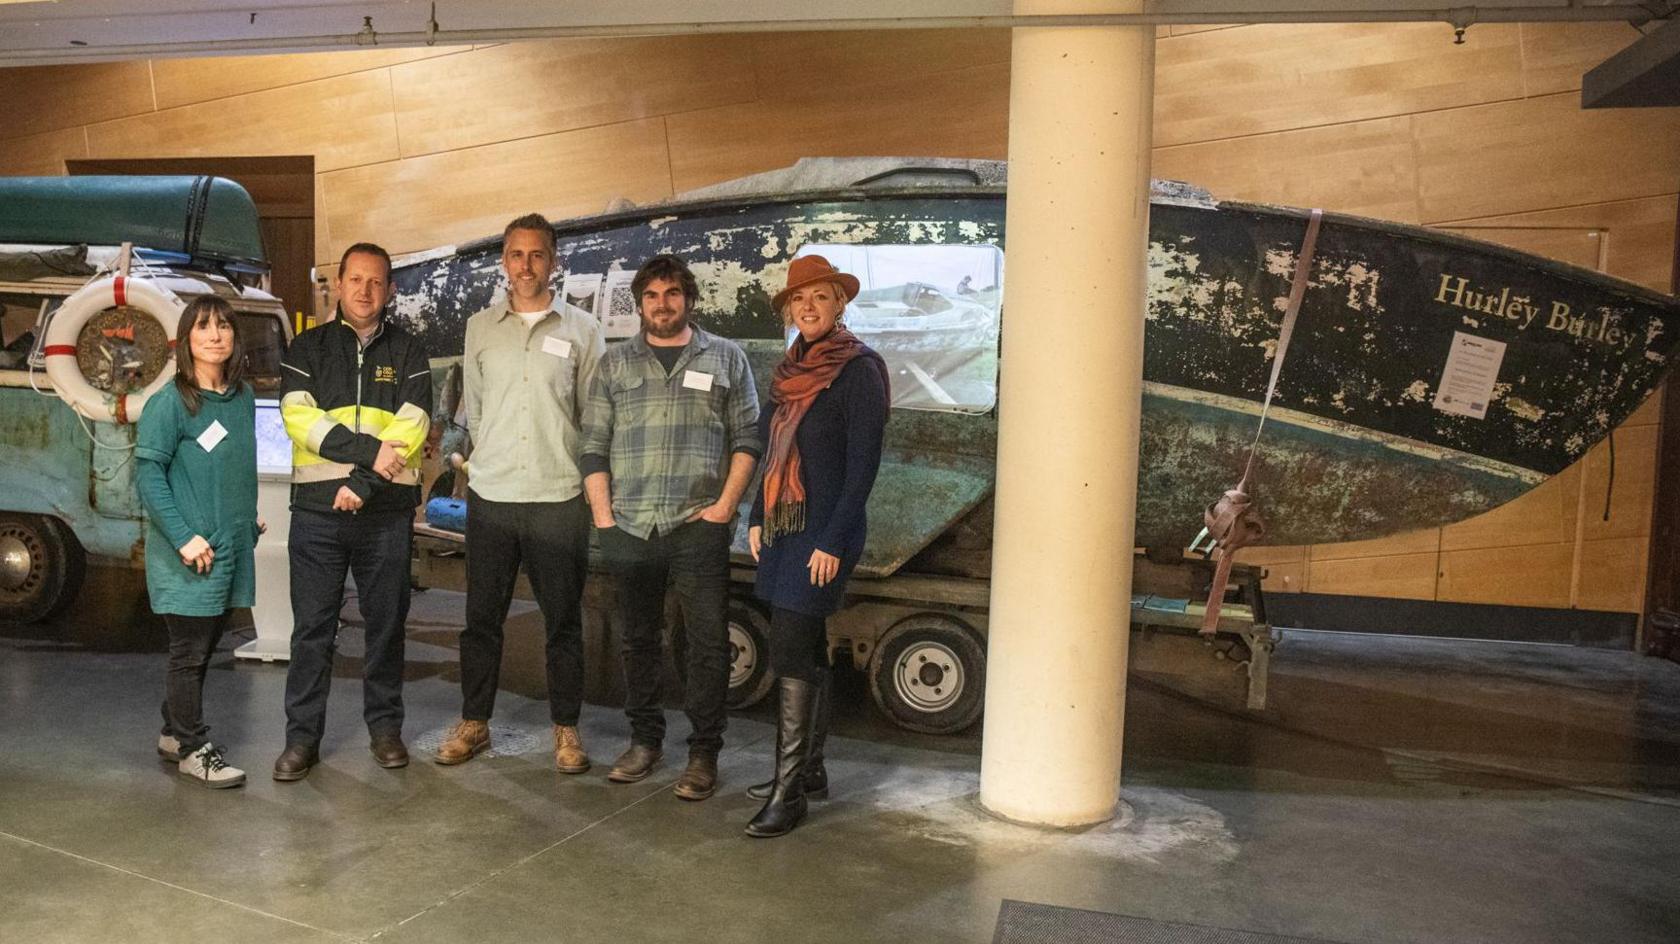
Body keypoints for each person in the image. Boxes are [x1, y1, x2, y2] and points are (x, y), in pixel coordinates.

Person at [580, 254, 760, 801]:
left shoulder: (727, 358)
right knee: (638, 641)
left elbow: (749, 437)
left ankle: (704, 753)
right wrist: (605, 519)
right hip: (630, 527)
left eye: (673, 294)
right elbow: (592, 446)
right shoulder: (614, 365)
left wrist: (725, 508)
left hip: (697, 525)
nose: (663, 304)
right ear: (640, 304)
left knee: (706, 644)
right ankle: (645, 741)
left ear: (689, 300)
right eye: (653, 295)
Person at [434, 214, 605, 771]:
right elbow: (476, 409)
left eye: (537, 255)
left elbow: (592, 414)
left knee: (562, 621)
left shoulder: (582, 331)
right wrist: (479, 460)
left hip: (559, 495)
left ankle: (566, 730)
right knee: (482, 618)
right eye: (515, 255)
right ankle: (475, 722)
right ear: (503, 262)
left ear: (553, 261)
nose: (525, 266)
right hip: (494, 495)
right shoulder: (480, 327)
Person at [273, 242, 431, 782]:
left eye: (376, 282)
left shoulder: (409, 352)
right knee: (312, 630)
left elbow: (413, 426)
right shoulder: (307, 347)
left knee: (386, 627)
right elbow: (298, 418)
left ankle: (385, 731)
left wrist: (363, 482)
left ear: (389, 290)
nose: (365, 291)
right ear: (338, 286)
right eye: (355, 280)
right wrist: (366, 454)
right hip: (318, 514)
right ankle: (301, 741)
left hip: (385, 514)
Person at [744, 254, 889, 837]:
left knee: (789, 647)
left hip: (824, 531)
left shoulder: (860, 369)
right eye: (797, 300)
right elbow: (774, 451)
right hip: (784, 526)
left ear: (840, 304)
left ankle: (789, 791)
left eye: (820, 297)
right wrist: (757, 513)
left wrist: (833, 538)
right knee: (804, 646)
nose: (808, 307)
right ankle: (810, 772)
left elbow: (863, 467)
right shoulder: (789, 371)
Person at [136, 295, 263, 789]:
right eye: (204, 327)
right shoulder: (170, 403)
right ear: (187, 339)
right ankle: (193, 748)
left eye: (224, 327)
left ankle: (172, 731)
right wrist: (185, 537)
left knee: (205, 647)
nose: (216, 336)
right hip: (189, 552)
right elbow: (149, 478)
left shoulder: (243, 397)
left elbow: (232, 470)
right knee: (188, 652)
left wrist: (245, 520)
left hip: (229, 546)